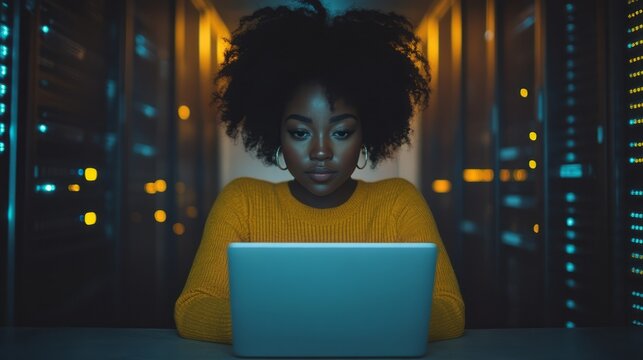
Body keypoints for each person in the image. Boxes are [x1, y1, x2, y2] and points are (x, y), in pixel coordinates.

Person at [174, 0, 464, 343]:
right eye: (300, 133)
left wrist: (289, 322)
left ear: (367, 135)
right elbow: (192, 309)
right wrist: (341, 322)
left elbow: (449, 311)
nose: (321, 151)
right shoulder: (243, 202)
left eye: (341, 132)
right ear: (275, 134)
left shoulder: (399, 203)